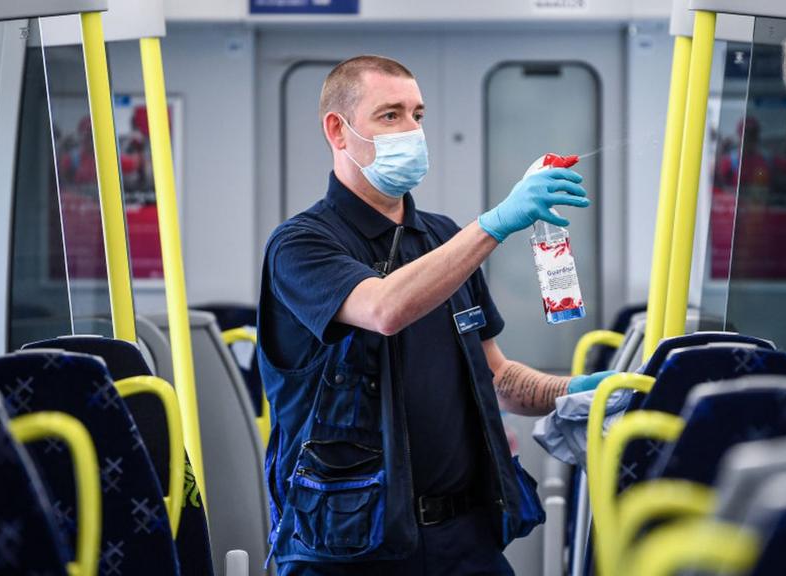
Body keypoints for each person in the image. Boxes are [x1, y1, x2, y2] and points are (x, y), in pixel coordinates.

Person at [257, 55, 613, 576]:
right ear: (338, 130)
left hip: (464, 540)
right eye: (390, 115)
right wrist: (496, 223)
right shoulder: (301, 244)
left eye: (418, 115)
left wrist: (579, 391)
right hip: (349, 544)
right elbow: (383, 308)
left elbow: (497, 379)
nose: (412, 131)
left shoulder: (443, 238)